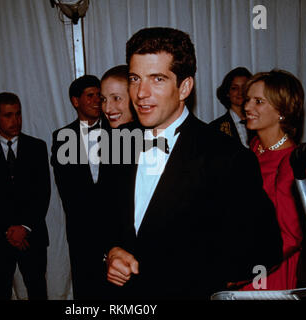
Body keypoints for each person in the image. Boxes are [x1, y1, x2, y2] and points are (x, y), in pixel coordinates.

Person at [104, 27, 283, 299]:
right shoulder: (118, 143)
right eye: (135, 78)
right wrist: (111, 251)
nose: (141, 93)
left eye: (158, 79)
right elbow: (101, 220)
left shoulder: (228, 156)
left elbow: (264, 249)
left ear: (184, 87)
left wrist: (185, 274)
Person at [0, 92, 50, 300]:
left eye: (18, 114)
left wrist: (24, 228)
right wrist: (8, 230)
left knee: (38, 291)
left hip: (32, 236)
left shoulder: (37, 147)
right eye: (8, 115)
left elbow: (42, 193)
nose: (15, 121)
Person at [242, 70, 306, 290]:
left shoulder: (293, 165)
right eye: (247, 100)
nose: (247, 107)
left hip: (268, 270)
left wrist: (245, 272)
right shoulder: (256, 146)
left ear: (282, 111)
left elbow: (290, 239)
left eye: (258, 102)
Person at [51, 75, 109, 299]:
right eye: (90, 96)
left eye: (99, 96)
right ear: (75, 101)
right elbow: (65, 186)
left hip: (114, 224)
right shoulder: (62, 137)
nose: (97, 101)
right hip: (81, 226)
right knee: (85, 283)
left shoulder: (118, 132)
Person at [210, 67, 253, 147]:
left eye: (244, 87)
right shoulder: (215, 128)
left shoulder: (260, 122)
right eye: (234, 88)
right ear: (227, 93)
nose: (240, 92)